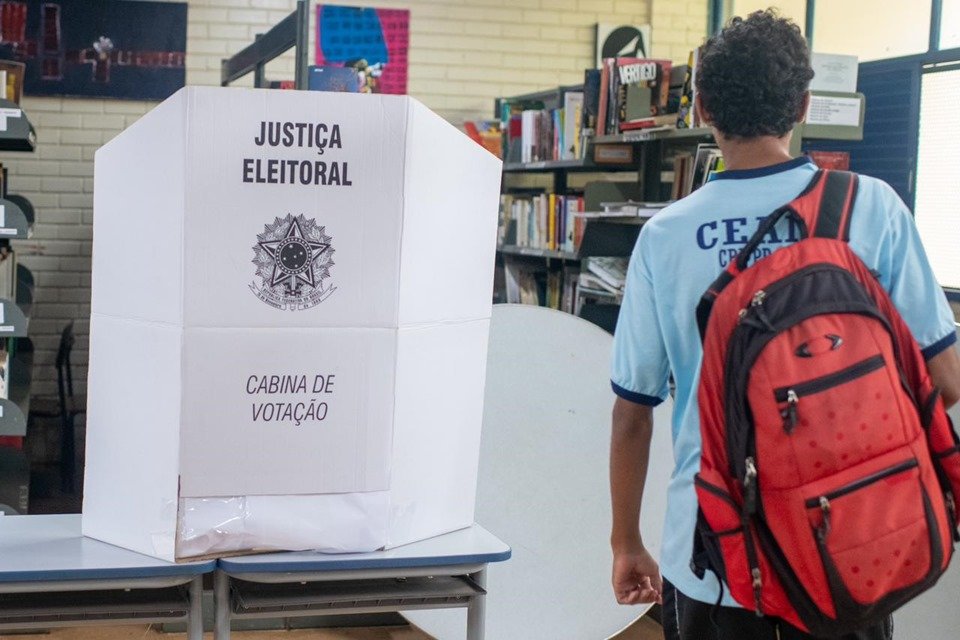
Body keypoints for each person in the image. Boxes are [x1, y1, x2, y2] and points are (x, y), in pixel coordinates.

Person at [608, 9, 960, 640]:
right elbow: (948, 379)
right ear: (802, 104)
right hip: (848, 546)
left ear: (705, 107)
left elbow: (634, 411)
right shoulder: (870, 206)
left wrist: (626, 542)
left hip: (712, 551)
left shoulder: (664, 237)